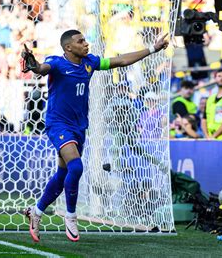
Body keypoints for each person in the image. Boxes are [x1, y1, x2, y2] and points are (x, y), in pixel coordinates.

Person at [21, 29, 169, 242]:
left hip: (79, 126)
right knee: (77, 167)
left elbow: (120, 61)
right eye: (80, 41)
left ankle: (36, 211)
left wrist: (153, 49)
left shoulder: (90, 62)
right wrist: (32, 62)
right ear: (68, 47)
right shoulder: (57, 63)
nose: (86, 44)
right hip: (59, 124)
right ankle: (71, 217)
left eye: (85, 40)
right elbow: (40, 69)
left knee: (62, 175)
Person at [201, 69, 222, 140]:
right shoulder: (210, 98)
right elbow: (204, 119)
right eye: (219, 76)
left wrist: (213, 136)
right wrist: (207, 136)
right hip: (209, 138)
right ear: (215, 78)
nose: (221, 79)